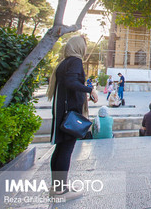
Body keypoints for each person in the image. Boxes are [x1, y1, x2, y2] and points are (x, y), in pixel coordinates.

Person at [46, 35, 98, 200]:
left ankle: (57, 186)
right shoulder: (75, 61)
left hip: (62, 112)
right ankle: (61, 190)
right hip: (70, 114)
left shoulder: (64, 63)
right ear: (78, 47)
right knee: (66, 150)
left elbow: (69, 83)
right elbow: (71, 82)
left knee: (60, 149)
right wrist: (90, 90)